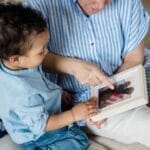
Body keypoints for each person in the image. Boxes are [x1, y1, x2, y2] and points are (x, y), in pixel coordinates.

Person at [25, 0, 150, 147]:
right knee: (144, 125)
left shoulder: (128, 3)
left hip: (135, 72)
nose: (101, 6)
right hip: (83, 99)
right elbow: (25, 57)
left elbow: (134, 59)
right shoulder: (39, 5)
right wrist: (73, 67)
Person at [0, 3, 100, 150]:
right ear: (15, 59)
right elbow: (43, 125)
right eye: (41, 51)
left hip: (33, 113)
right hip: (37, 135)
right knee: (78, 140)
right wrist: (73, 114)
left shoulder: (17, 65)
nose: (47, 52)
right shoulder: (23, 93)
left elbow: (39, 83)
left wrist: (57, 93)